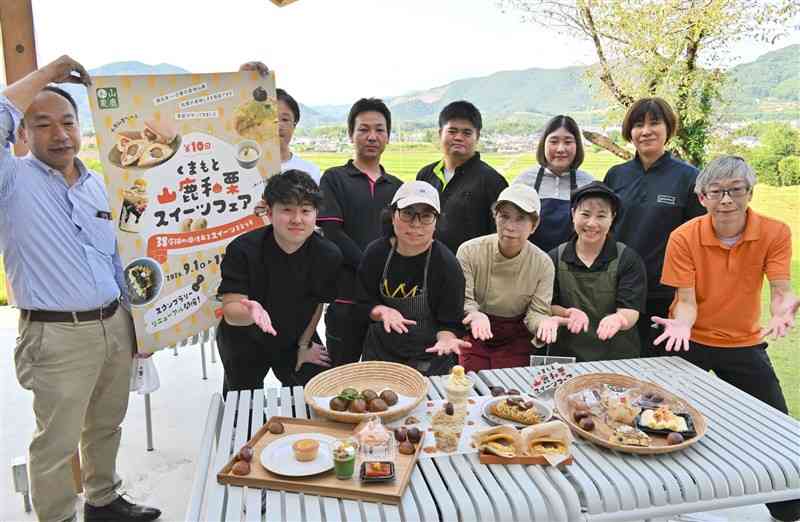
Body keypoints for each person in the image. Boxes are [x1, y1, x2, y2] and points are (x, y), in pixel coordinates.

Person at [2, 56, 161, 522]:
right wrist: (48, 75)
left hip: (112, 323)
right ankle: (57, 517)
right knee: (55, 439)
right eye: (43, 124)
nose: (60, 134)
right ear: (22, 134)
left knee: (105, 424)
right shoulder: (10, 183)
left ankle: (103, 500)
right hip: (55, 335)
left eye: (68, 122)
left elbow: (116, 260)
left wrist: (138, 327)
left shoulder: (99, 184)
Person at [653, 155, 799, 522]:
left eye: (736, 190)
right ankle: (669, 504)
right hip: (690, 340)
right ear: (701, 197)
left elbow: (781, 289)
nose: (726, 200)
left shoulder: (775, 232)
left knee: (776, 425)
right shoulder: (684, 236)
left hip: (743, 342)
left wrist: (782, 309)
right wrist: (683, 326)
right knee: (664, 422)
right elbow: (685, 302)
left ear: (750, 192)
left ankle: (788, 509)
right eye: (716, 192)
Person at [216, 170, 342, 393]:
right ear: (269, 211)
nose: (297, 219)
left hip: (295, 334)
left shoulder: (328, 254)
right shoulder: (243, 249)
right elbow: (231, 312)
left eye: (305, 211)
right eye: (286, 210)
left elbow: (318, 303)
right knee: (243, 403)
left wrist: (304, 345)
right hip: (244, 338)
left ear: (316, 213)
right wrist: (252, 313)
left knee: (317, 391)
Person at [603, 97, 705, 355]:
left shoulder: (688, 177)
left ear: (668, 129)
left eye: (654, 123)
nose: (646, 130)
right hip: (618, 291)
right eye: (638, 124)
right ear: (630, 132)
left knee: (660, 369)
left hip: (665, 294)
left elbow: (698, 239)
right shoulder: (616, 175)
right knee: (618, 367)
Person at [317, 98, 403, 367]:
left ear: (388, 135)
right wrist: (372, 266)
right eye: (363, 129)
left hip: (387, 303)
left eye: (379, 129)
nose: (372, 136)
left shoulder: (398, 188)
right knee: (341, 378)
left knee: (384, 376)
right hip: (345, 299)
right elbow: (332, 233)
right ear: (350, 134)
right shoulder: (334, 178)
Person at [358, 181, 469, 375]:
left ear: (436, 222)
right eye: (408, 213)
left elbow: (450, 322)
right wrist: (382, 311)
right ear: (393, 216)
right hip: (382, 351)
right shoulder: (376, 252)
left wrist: (446, 339)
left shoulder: (445, 264)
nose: (416, 224)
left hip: (429, 355)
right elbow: (362, 301)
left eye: (426, 216)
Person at [540, 182, 647, 361]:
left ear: (612, 218)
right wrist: (568, 313)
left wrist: (618, 320)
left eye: (601, 216)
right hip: (567, 356)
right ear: (573, 214)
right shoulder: (554, 257)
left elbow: (631, 310)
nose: (592, 223)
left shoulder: (627, 259)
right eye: (585, 214)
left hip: (617, 356)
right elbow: (548, 304)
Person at [456, 184, 554, 372]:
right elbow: (465, 300)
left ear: (534, 225)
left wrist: (544, 323)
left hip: (516, 339)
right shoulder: (468, 251)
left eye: (521, 219)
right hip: (476, 333)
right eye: (504, 216)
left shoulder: (543, 263)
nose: (510, 227)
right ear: (495, 217)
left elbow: (537, 312)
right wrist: (474, 314)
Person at [416, 100, 508, 254]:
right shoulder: (425, 175)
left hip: (470, 269)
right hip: (425, 265)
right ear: (440, 134)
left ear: (477, 136)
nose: (458, 137)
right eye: (452, 131)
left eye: (466, 132)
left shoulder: (492, 181)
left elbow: (499, 234)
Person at [514, 115, 594, 253]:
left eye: (568, 142)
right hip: (531, 263)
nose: (560, 149)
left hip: (573, 268)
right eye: (554, 141)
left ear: (577, 146)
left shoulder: (589, 183)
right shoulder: (524, 182)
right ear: (543, 144)